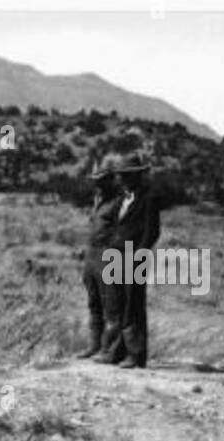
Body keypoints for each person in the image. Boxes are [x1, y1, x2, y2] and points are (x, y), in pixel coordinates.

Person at [97, 151, 161, 369]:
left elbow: (152, 232)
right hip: (116, 255)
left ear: (137, 176)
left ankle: (135, 355)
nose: (121, 179)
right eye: (120, 175)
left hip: (135, 257)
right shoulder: (122, 199)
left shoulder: (149, 198)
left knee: (133, 305)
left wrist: (140, 256)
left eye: (126, 175)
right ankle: (116, 352)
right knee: (116, 303)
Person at [77, 154, 123, 359]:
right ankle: (94, 345)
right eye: (96, 181)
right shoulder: (98, 201)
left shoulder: (119, 202)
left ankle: (110, 350)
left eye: (102, 180)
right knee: (94, 302)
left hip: (109, 255)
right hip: (92, 254)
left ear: (111, 180)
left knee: (111, 304)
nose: (98, 184)